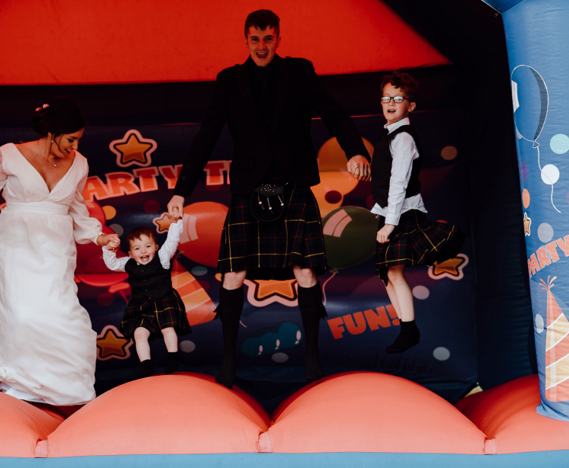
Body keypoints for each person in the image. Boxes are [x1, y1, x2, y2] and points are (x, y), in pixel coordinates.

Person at [166, 10, 370, 388]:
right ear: (245, 39)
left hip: (292, 181)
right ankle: (227, 362)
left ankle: (312, 359)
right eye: (255, 39)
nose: (262, 46)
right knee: (233, 274)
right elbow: (206, 136)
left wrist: (355, 150)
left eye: (269, 38)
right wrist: (181, 190)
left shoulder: (300, 72)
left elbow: (334, 115)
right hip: (249, 186)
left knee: (305, 272)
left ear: (279, 39)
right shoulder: (229, 80)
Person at [0, 96, 119, 406]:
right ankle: (23, 387)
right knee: (21, 315)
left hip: (56, 247)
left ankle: (71, 393)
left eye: (78, 140)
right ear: (52, 132)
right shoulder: (10, 155)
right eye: (70, 139)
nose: (74, 146)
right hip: (16, 244)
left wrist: (97, 237)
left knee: (66, 316)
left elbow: (77, 207)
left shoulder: (79, 163)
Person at [371, 71, 465, 353]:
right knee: (387, 273)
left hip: (401, 215)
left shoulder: (403, 138)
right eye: (386, 98)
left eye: (398, 99)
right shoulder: (390, 136)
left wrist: (389, 224)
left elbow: (400, 181)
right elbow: (388, 177)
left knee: (394, 273)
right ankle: (406, 326)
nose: (390, 103)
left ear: (409, 106)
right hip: (389, 213)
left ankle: (409, 329)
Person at [101, 218, 191, 377]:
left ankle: (173, 358)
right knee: (139, 334)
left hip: (163, 300)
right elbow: (112, 264)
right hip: (142, 306)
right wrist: (108, 248)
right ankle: (146, 366)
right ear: (130, 254)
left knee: (167, 328)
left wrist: (176, 222)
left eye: (147, 246)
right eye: (137, 248)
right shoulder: (128, 263)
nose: (143, 251)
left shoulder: (162, 258)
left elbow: (172, 241)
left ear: (156, 248)